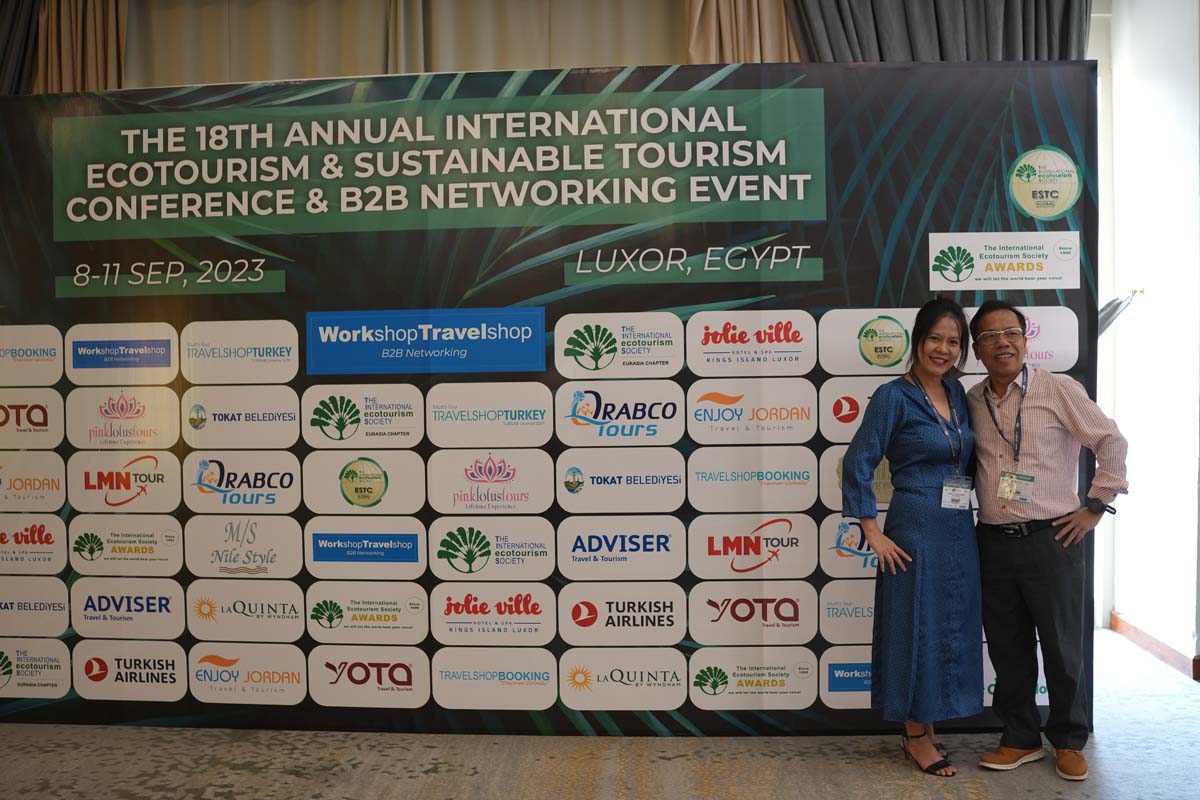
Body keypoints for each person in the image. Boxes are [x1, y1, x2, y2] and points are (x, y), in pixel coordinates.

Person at [967, 299, 1127, 782]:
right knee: (1007, 647)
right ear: (977, 349)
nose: (1002, 343)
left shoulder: (1057, 389)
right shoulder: (972, 399)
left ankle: (1069, 739)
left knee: (1062, 646)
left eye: (1010, 333)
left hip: (1052, 538)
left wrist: (1095, 506)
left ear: (1025, 339)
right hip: (992, 541)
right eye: (990, 336)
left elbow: (1110, 441)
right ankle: (1019, 736)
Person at [842, 297, 982, 778]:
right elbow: (858, 461)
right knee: (916, 627)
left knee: (949, 624)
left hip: (959, 527)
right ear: (918, 340)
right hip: (916, 526)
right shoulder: (892, 397)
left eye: (953, 341)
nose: (943, 349)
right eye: (935, 338)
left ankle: (930, 720)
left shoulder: (957, 393)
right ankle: (914, 734)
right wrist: (871, 530)